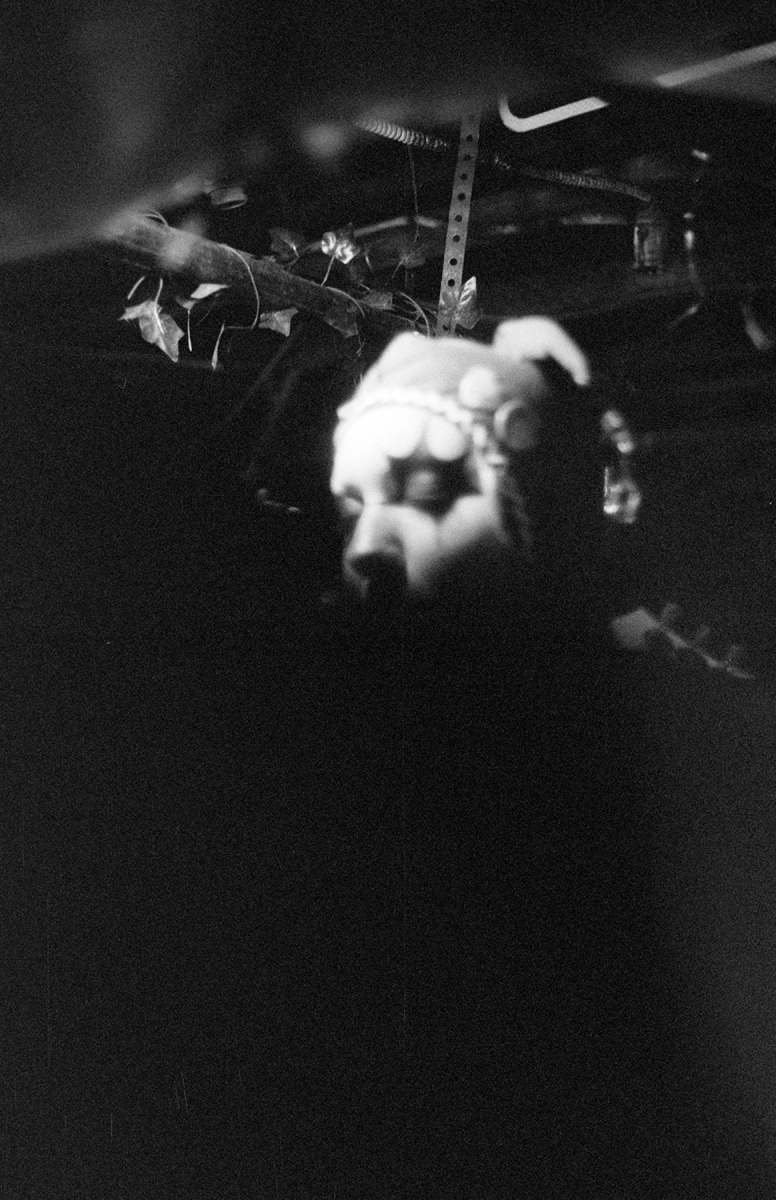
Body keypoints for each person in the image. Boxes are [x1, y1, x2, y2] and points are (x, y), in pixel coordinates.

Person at [326, 317, 776, 1196]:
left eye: (428, 491)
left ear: (544, 503)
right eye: (352, 504)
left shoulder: (688, 746)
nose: (367, 546)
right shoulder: (341, 763)